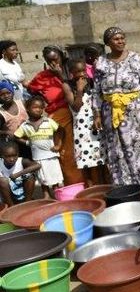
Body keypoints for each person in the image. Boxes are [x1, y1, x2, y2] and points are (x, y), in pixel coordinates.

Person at [92, 27, 140, 185]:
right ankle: (126, 185)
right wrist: (96, 114)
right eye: (116, 39)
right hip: (111, 111)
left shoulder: (135, 58)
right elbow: (96, 90)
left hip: (134, 111)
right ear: (108, 43)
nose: (120, 41)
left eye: (122, 38)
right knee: (117, 148)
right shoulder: (100, 62)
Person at [28, 46, 81, 184]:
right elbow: (30, 89)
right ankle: (75, 184)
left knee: (83, 149)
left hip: (81, 114)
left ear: (62, 56)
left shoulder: (73, 69)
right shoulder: (42, 77)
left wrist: (60, 76)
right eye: (49, 60)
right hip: (60, 115)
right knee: (66, 153)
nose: (53, 64)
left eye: (55, 59)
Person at [62, 59, 107, 187]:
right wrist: (79, 89)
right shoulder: (67, 85)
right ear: (71, 73)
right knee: (86, 163)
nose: (82, 74)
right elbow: (76, 107)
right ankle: (91, 189)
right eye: (78, 71)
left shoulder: (91, 83)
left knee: (101, 161)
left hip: (96, 125)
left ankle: (105, 188)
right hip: (82, 129)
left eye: (84, 70)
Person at [14, 96, 65, 199]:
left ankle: (56, 192)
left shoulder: (48, 121)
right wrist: (28, 143)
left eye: (41, 108)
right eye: (35, 107)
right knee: (42, 176)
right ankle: (46, 194)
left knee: (53, 174)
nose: (39, 109)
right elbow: (16, 136)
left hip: (51, 154)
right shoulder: (25, 125)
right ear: (27, 109)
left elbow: (61, 130)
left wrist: (58, 145)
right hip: (38, 156)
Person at [0, 140, 40, 205]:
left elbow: (38, 165)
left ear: (18, 154)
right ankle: (11, 206)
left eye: (14, 155)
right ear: (2, 155)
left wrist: (17, 174)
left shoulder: (21, 161)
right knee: (2, 181)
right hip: (7, 196)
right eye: (8, 156)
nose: (12, 159)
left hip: (21, 192)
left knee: (30, 177)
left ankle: (27, 203)